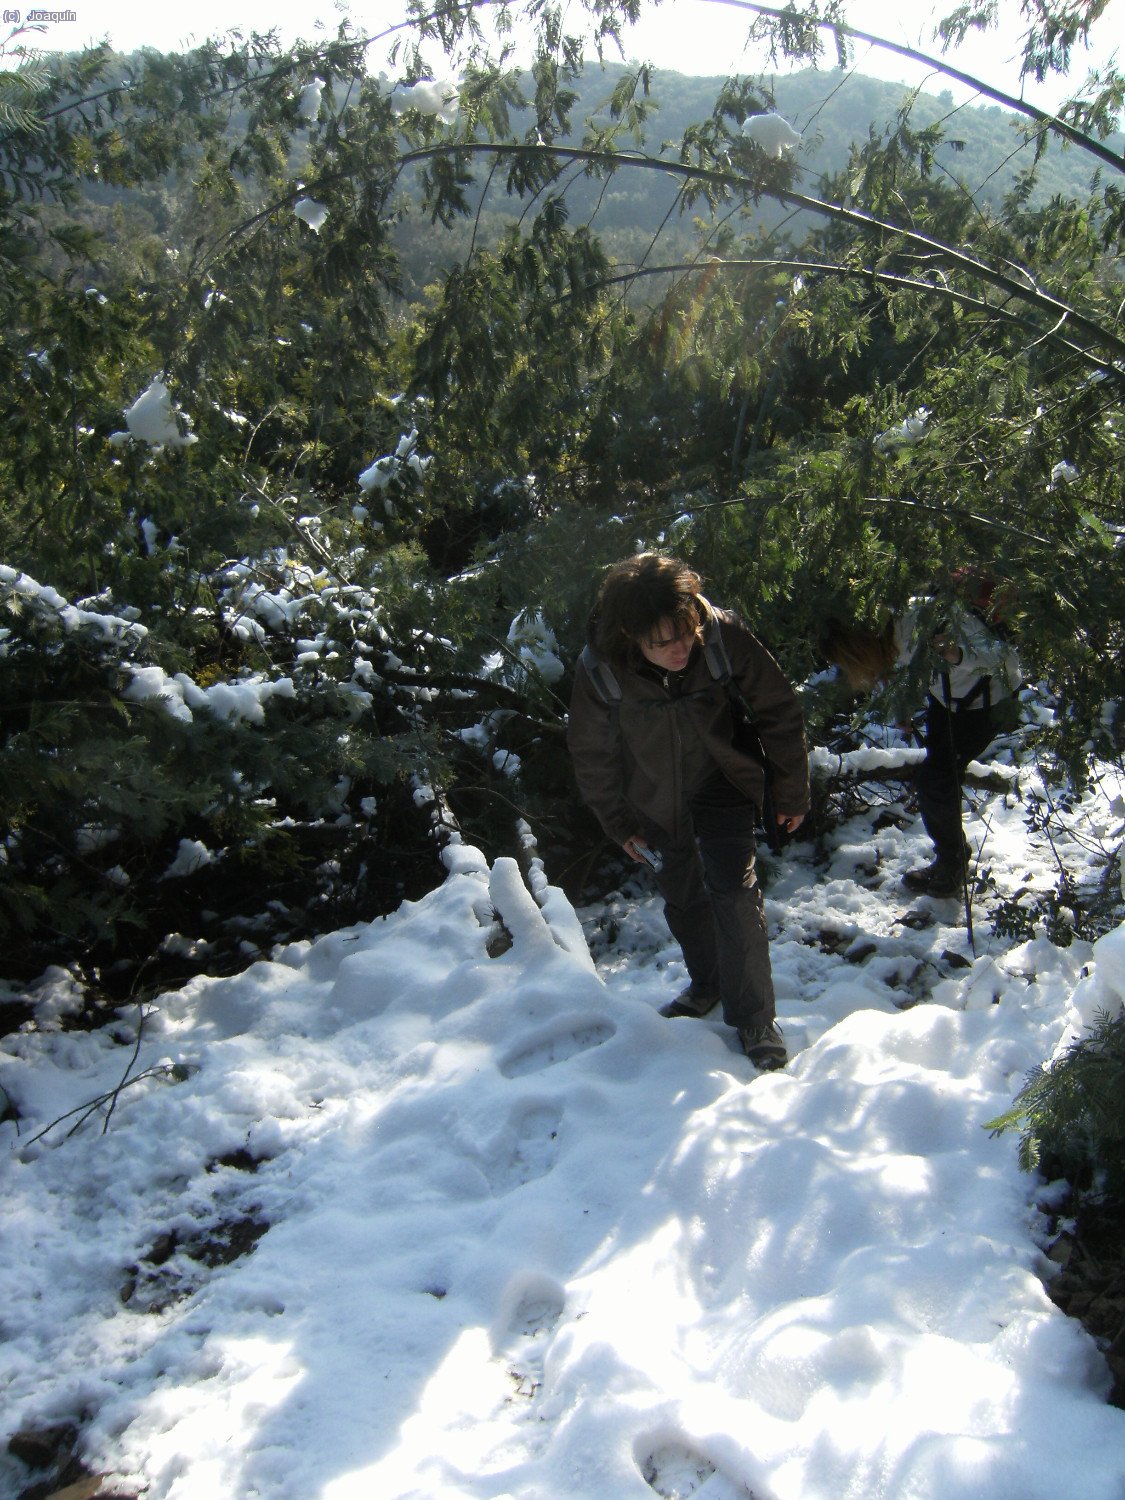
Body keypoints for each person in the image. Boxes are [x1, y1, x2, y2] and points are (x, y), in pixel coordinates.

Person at [566, 553, 809, 1071]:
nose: (681, 649)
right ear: (631, 634)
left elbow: (778, 708)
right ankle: (708, 983)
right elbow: (592, 756)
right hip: (650, 796)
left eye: (686, 634)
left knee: (734, 893)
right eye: (663, 642)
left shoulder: (718, 635)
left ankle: (755, 1019)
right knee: (682, 892)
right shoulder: (600, 672)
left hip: (722, 778)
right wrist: (619, 824)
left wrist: (790, 790)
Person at [824, 598, 1021, 898]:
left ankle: (952, 863)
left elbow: (1000, 656)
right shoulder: (893, 634)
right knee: (941, 777)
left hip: (987, 702)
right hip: (948, 698)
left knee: (937, 779)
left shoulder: (926, 622)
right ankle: (950, 858)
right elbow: (910, 669)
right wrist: (905, 705)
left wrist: (958, 654)